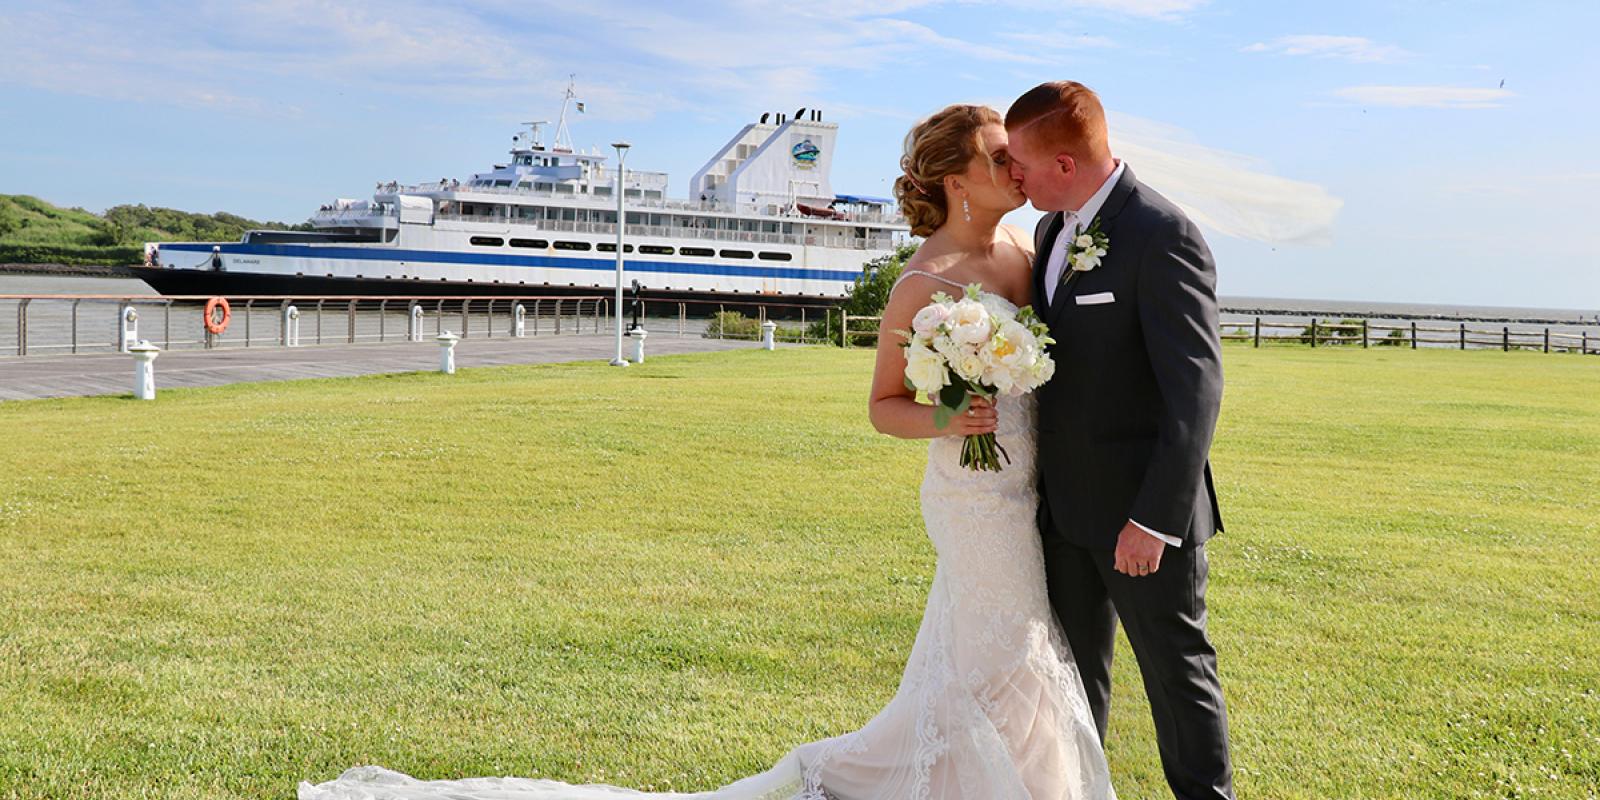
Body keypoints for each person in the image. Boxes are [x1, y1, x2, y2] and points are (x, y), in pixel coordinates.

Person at [298, 104, 1115, 799]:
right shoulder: (919, 283)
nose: (1018, 167)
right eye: (999, 156)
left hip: (1029, 489)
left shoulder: (1025, 253)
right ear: (955, 179)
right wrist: (947, 422)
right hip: (972, 502)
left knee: (992, 657)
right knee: (1014, 646)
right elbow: (882, 409)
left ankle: (929, 775)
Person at [1004, 80, 1233, 800]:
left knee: (1176, 673)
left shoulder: (1163, 234)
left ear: (1065, 167)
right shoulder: (1047, 231)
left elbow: (1196, 390)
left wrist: (1155, 520)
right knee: (1073, 681)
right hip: (1063, 513)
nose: (1015, 176)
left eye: (1022, 163)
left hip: (1143, 521)